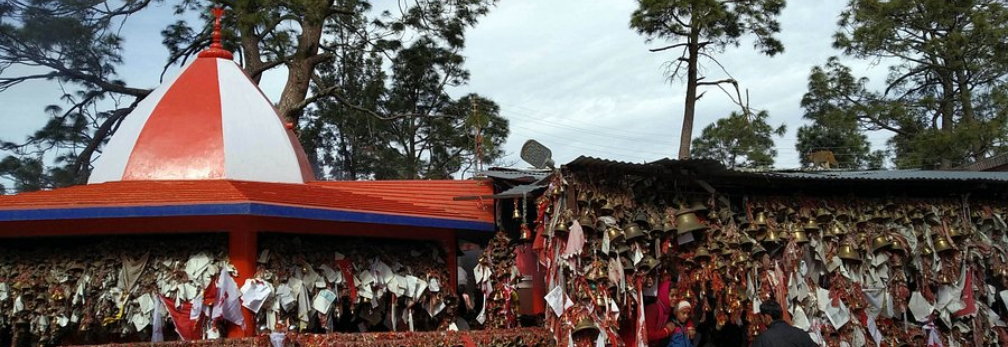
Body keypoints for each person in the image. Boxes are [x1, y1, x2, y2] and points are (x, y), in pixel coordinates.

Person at [751, 300, 817, 347]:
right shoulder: (800, 333)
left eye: (762, 318)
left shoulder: (763, 339)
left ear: (767, 317)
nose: (761, 321)